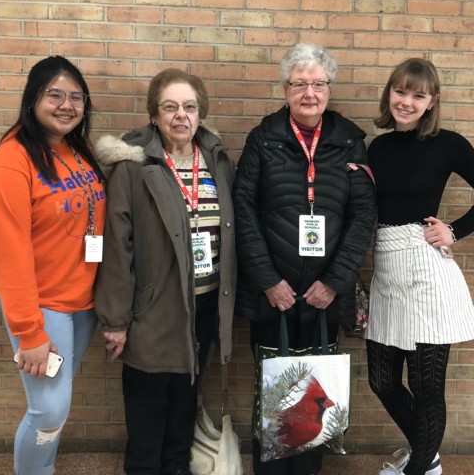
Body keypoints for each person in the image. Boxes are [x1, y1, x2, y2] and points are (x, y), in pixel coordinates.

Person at [233, 42, 376, 475]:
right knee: (277, 396)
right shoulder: (263, 139)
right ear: (285, 88)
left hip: (325, 299)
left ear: (329, 89)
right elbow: (243, 209)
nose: (309, 92)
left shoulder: (350, 142)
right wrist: (266, 279)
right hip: (271, 295)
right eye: (300, 83)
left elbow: (363, 215)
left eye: (318, 83)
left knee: (317, 395)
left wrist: (334, 281)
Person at [94, 68, 236, 475]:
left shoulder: (216, 161)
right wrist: (116, 320)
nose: (180, 116)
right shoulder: (133, 167)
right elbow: (117, 248)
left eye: (189, 107)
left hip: (205, 305)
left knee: (185, 406)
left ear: (200, 112)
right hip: (152, 310)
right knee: (148, 410)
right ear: (154, 115)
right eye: (169, 107)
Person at [0, 56, 106, 475]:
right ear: (32, 99)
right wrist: (28, 331)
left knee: (55, 404)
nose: (67, 105)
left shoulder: (75, 150)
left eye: (76, 97)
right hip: (43, 309)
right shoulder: (13, 157)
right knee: (48, 411)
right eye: (55, 95)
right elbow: (9, 252)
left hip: (83, 306)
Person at [365, 58, 474, 475]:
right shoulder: (378, 147)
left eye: (418, 94)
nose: (406, 102)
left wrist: (455, 230)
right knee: (383, 381)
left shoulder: (449, 143)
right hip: (387, 268)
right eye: (400, 91)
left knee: (427, 388)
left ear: (432, 101)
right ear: (389, 92)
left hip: (427, 269)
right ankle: (426, 457)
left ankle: (420, 469)